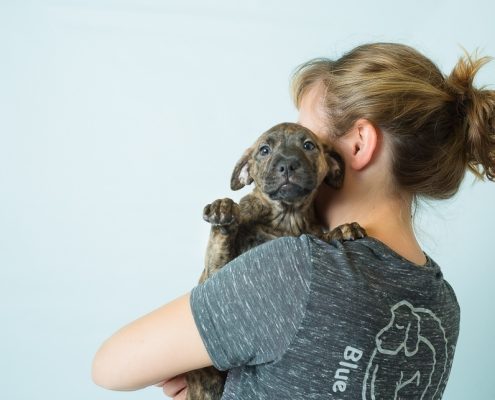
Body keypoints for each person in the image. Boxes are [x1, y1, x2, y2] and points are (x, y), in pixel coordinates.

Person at [92, 43, 495, 399]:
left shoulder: (299, 269)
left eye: (308, 139)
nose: (288, 163)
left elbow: (109, 367)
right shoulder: (441, 305)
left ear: (357, 144)